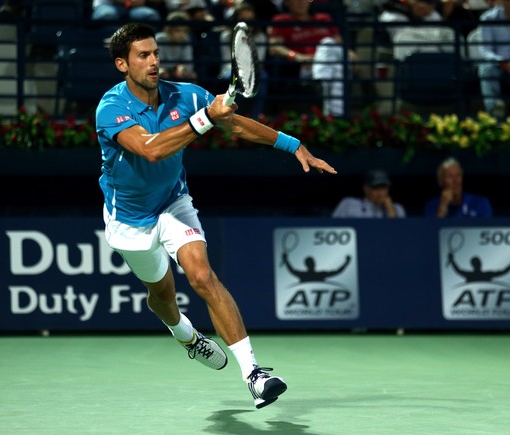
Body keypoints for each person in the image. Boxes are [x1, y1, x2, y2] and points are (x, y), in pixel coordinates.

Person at [95, 23, 336, 409]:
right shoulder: (111, 108)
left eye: (156, 52)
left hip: (174, 202)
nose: (154, 61)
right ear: (123, 64)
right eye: (144, 55)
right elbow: (152, 150)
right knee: (161, 295)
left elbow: (235, 123)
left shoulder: (185, 95)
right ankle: (185, 335)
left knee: (203, 276)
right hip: (130, 220)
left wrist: (293, 145)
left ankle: (255, 374)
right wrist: (206, 117)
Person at [268, 0, 358, 117]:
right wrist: (296, 56)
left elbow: (338, 43)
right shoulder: (281, 20)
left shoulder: (324, 18)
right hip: (305, 65)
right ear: (287, 3)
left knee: (328, 45)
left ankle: (323, 85)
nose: (301, 3)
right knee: (335, 60)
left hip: (327, 62)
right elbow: (274, 48)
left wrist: (349, 54)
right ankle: (337, 116)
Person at [218, 2, 269, 118]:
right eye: (243, 19)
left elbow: (259, 61)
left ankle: (257, 117)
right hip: (230, 70)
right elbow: (228, 60)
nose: (247, 23)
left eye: (250, 19)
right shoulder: (226, 35)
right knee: (236, 79)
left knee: (263, 77)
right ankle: (234, 117)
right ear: (236, 19)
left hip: (252, 70)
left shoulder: (260, 36)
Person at [424, 157, 493, 218]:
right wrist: (443, 206)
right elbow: (432, 231)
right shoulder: (432, 206)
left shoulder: (480, 203)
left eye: (458, 175)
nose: (456, 181)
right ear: (441, 181)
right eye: (450, 176)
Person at [332, 170, 406, 218]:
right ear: (366, 189)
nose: (380, 192)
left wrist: (390, 207)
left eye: (383, 188)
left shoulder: (397, 208)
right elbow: (333, 226)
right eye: (376, 188)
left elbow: (399, 231)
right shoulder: (348, 203)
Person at [155, 11, 198, 82]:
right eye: (177, 31)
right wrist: (174, 68)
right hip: (162, 72)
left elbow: (189, 64)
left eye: (185, 31)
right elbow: (157, 63)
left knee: (192, 76)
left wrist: (183, 68)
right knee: (161, 74)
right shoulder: (160, 39)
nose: (182, 34)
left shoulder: (186, 40)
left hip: (177, 73)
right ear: (169, 30)